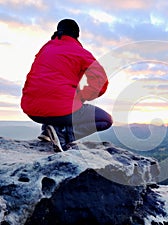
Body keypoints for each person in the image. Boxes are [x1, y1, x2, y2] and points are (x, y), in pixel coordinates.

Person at [21, 19, 113, 152]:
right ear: (77, 35)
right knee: (105, 120)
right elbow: (101, 81)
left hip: (31, 109)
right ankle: (62, 134)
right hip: (61, 109)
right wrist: (82, 97)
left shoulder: (46, 48)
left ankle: (48, 130)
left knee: (55, 101)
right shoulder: (80, 52)